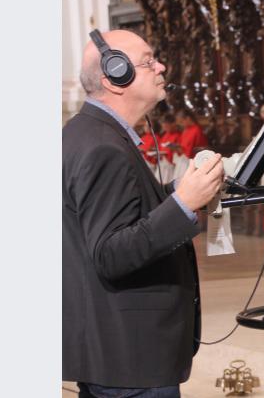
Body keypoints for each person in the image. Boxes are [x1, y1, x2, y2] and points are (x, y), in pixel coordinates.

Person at [63, 29, 224, 397]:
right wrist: (182, 205)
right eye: (149, 61)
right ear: (115, 75)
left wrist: (177, 194)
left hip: (116, 355)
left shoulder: (87, 134)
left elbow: (122, 212)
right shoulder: (102, 148)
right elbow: (110, 253)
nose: (161, 67)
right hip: (129, 359)